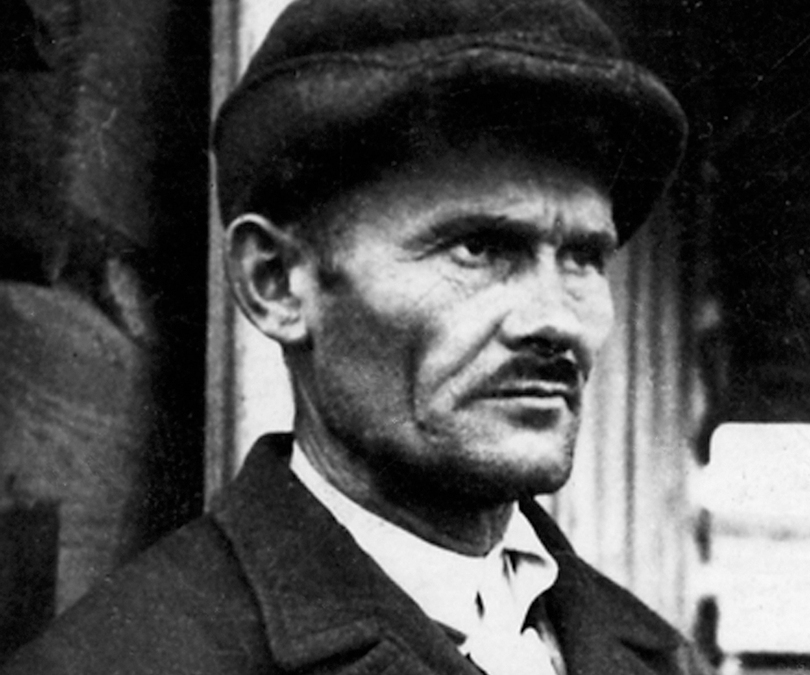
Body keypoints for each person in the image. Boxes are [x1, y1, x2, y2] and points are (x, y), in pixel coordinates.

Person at [1, 0, 702, 673]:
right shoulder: (124, 662)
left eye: (583, 258)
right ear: (276, 283)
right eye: (480, 248)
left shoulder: (659, 657)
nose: (557, 320)